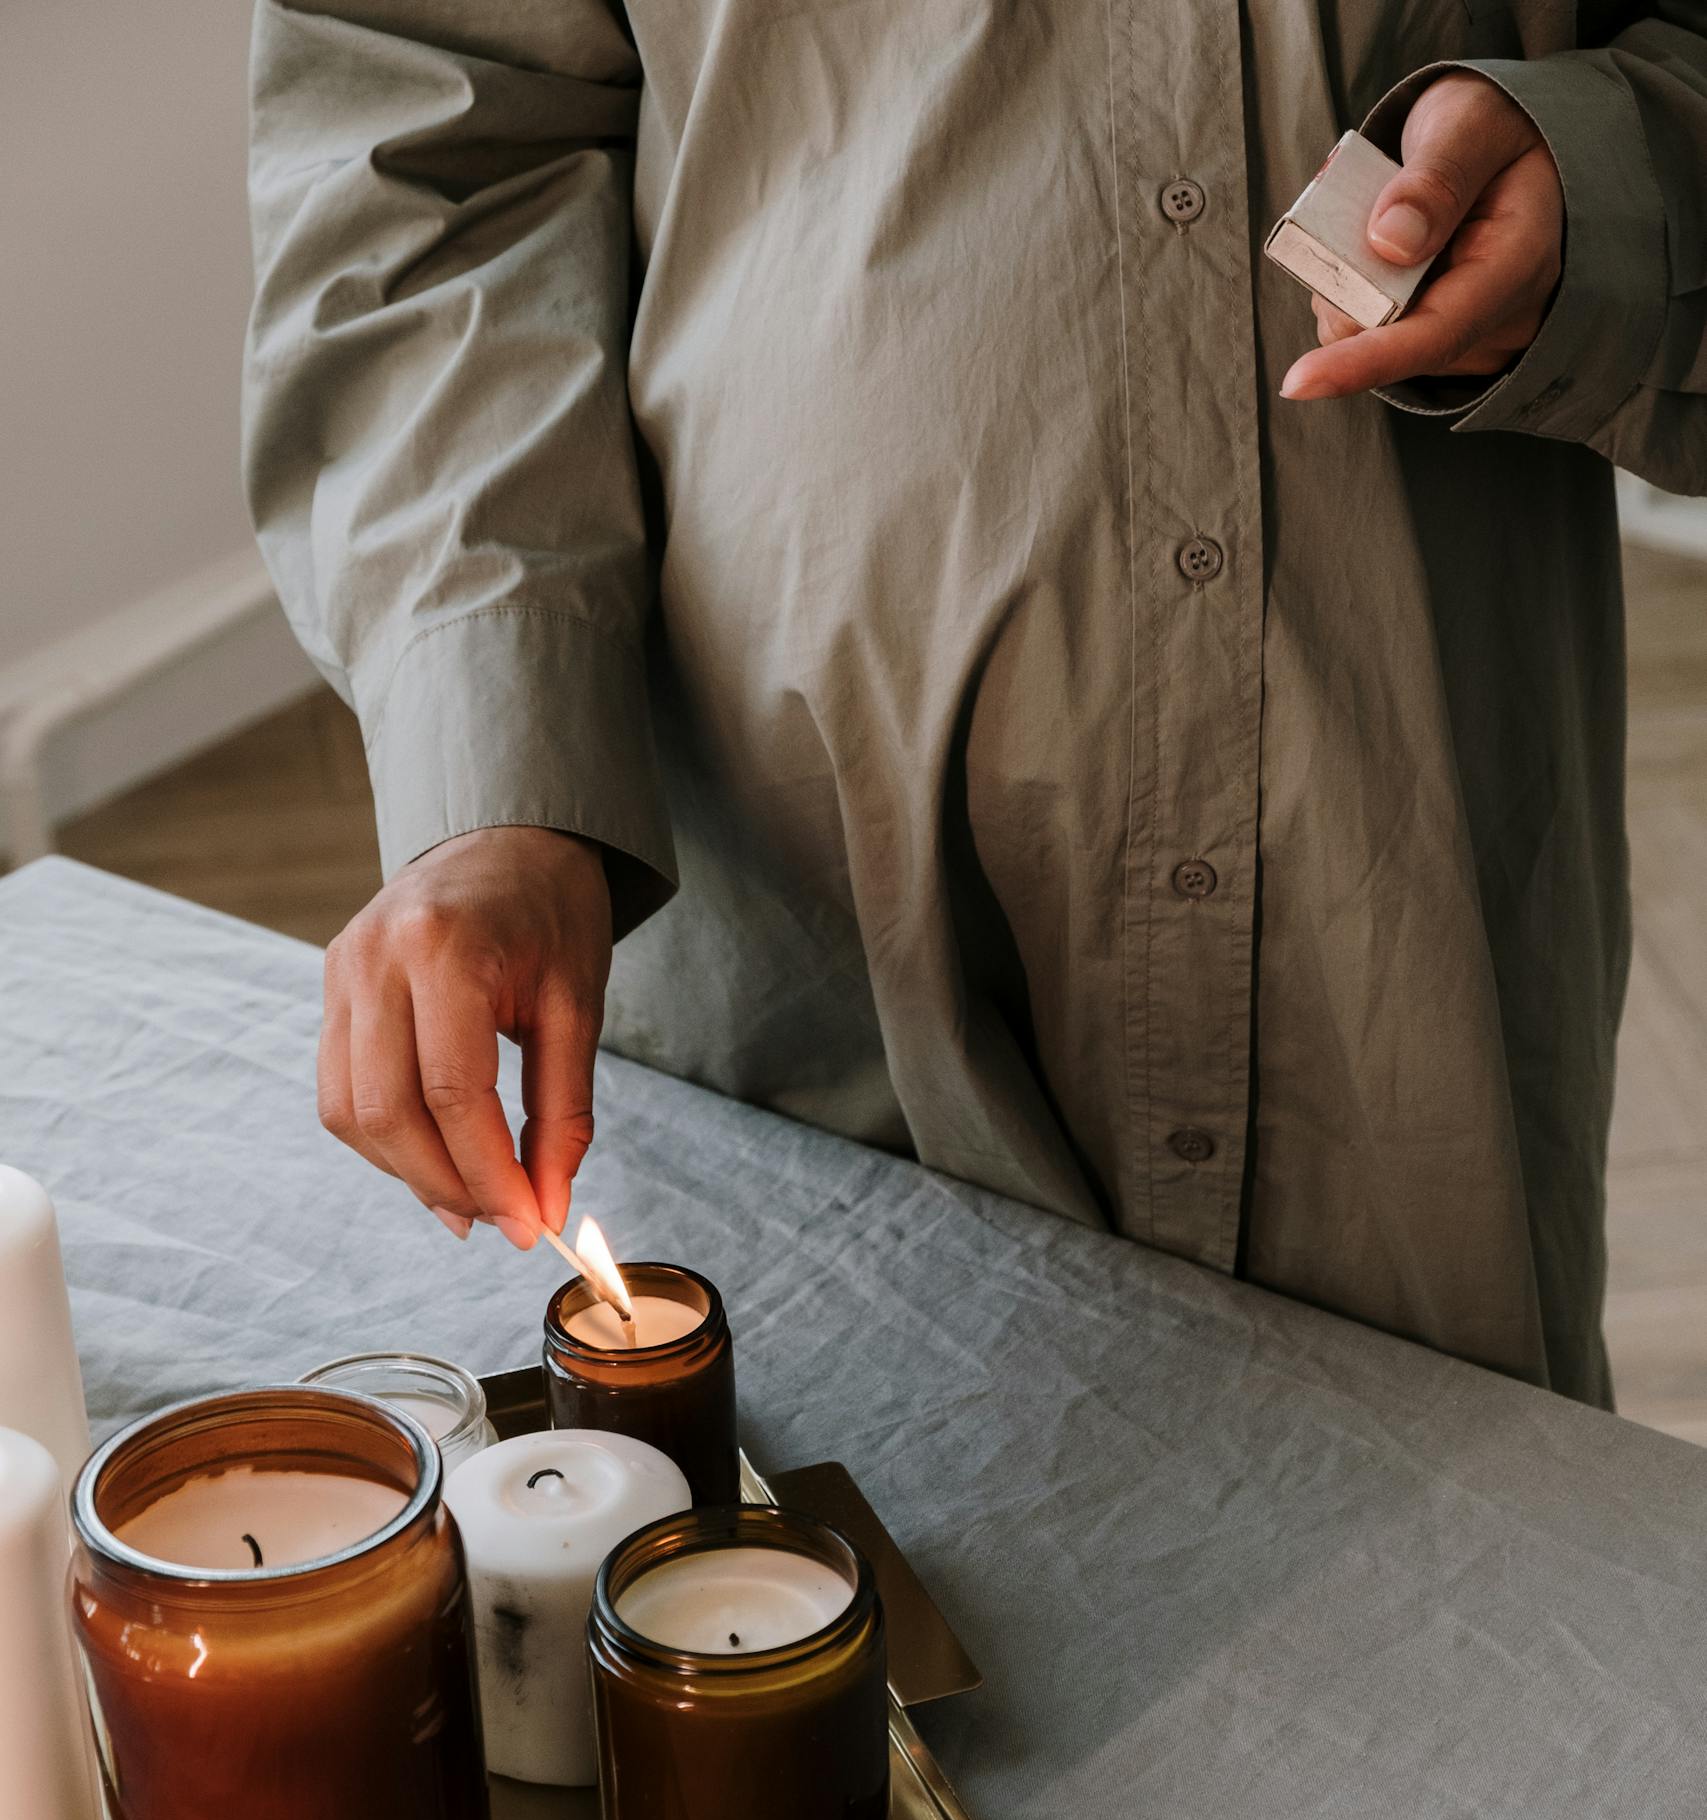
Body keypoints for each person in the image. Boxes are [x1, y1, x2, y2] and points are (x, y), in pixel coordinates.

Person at [246, 3, 1707, 1405]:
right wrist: (495, 756)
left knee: (1429, 1602)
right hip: (779, 921)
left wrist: (1616, 174)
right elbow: (432, 121)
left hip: (1402, 899)